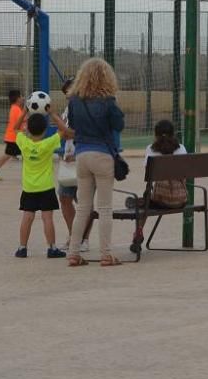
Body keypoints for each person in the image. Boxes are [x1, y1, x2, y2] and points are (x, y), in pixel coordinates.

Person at [65, 57, 126, 267]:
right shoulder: (108, 102)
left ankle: (73, 253)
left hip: (82, 155)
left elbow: (72, 125)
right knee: (105, 207)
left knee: (83, 207)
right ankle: (106, 254)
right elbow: (119, 125)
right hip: (103, 155)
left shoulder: (74, 101)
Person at [13, 110, 72, 259]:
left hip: (29, 187)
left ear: (27, 128)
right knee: (47, 218)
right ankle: (52, 248)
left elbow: (15, 128)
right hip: (46, 187)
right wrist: (52, 113)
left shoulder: (24, 142)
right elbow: (64, 130)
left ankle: (22, 248)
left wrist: (25, 112)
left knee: (27, 217)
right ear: (45, 130)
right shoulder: (48, 143)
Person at [130, 119, 188, 251]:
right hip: (181, 199)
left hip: (162, 200)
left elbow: (148, 174)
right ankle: (139, 204)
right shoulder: (181, 148)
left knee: (144, 203)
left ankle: (138, 230)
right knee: (145, 201)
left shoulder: (151, 149)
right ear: (173, 134)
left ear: (156, 134)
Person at [56, 77, 92, 253]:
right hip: (69, 159)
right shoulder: (67, 109)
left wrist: (59, 124)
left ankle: (83, 239)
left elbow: (73, 133)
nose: (68, 97)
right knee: (64, 197)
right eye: (66, 95)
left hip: (84, 158)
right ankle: (73, 236)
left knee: (85, 202)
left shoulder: (89, 110)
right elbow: (63, 133)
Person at [0, 89, 25, 181]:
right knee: (8, 155)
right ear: (17, 98)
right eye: (21, 96)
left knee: (21, 154)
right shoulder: (16, 109)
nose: (22, 98)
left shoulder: (15, 108)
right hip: (13, 138)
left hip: (14, 137)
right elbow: (20, 121)